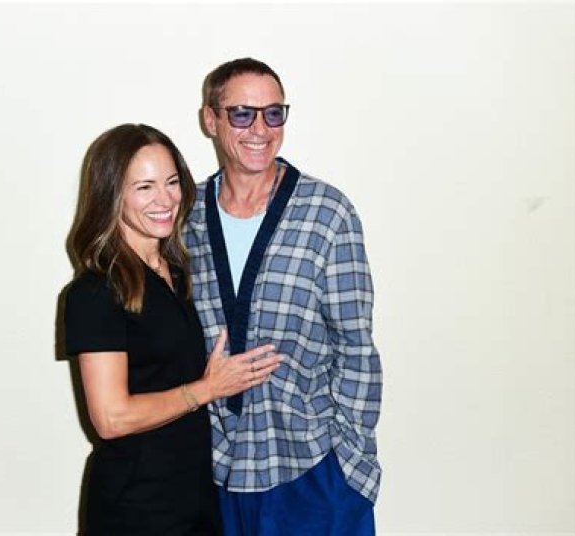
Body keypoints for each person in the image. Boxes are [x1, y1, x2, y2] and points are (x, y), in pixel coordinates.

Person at [184, 58, 383, 535]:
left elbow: (355, 345)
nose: (260, 129)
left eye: (273, 113)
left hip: (311, 470)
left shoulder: (327, 213)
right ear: (210, 119)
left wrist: (351, 465)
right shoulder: (184, 218)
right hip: (212, 472)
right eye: (241, 113)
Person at [63, 123, 282, 535]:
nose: (165, 199)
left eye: (171, 182)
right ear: (112, 195)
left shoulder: (178, 272)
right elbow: (111, 417)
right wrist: (206, 390)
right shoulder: (95, 292)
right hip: (137, 510)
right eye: (144, 187)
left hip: (195, 499)